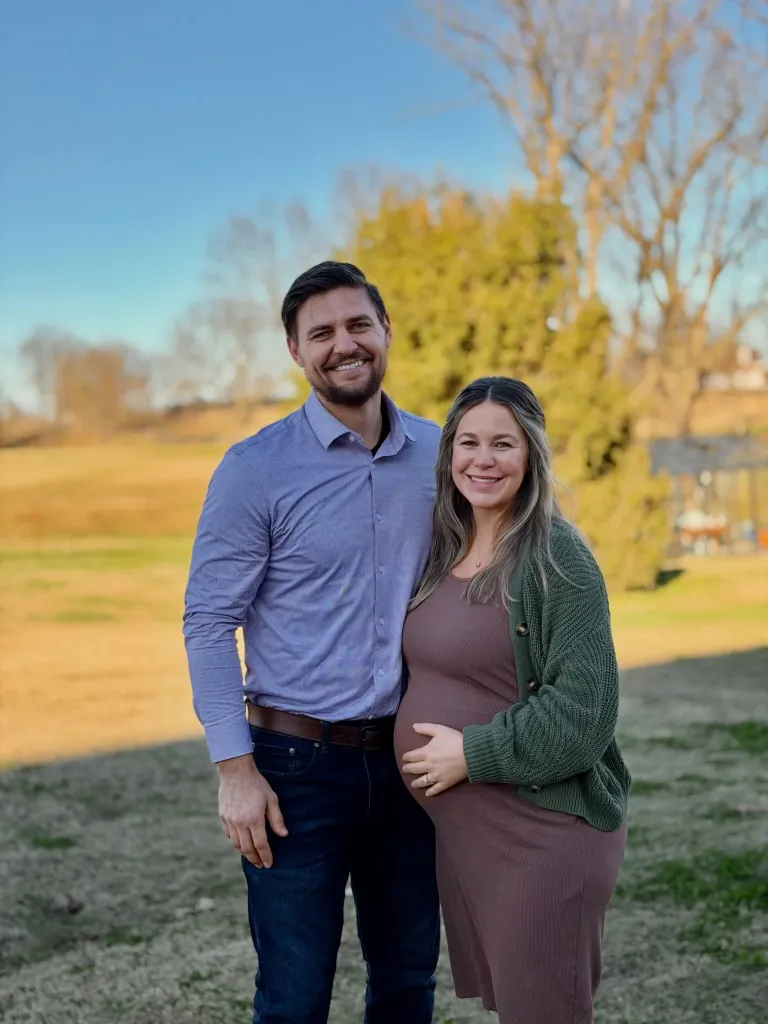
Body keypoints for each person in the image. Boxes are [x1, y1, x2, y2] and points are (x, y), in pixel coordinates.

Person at [183, 261, 441, 1024]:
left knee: (406, 986)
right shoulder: (255, 469)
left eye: (358, 325)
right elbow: (206, 622)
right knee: (293, 1001)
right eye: (321, 332)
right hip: (294, 770)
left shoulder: (441, 455)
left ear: (386, 332)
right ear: (296, 351)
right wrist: (235, 771)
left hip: (411, 762)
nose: (344, 344)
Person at [394, 376, 630, 1024]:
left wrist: (473, 751)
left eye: (504, 443)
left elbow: (585, 713)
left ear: (531, 455)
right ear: (448, 457)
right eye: (468, 442)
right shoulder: (445, 549)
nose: (483, 459)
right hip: (475, 844)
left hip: (542, 838)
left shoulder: (557, 555)